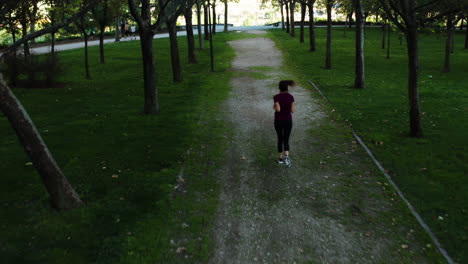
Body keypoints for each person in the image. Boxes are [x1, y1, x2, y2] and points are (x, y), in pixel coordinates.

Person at [273, 80, 296, 167]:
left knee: (280, 138)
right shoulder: (291, 97)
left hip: (278, 120)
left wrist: (274, 107)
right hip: (288, 120)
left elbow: (278, 109)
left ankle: (280, 159)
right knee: (286, 139)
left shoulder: (276, 97)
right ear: (287, 88)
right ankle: (287, 156)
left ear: (279, 88)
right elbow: (292, 110)